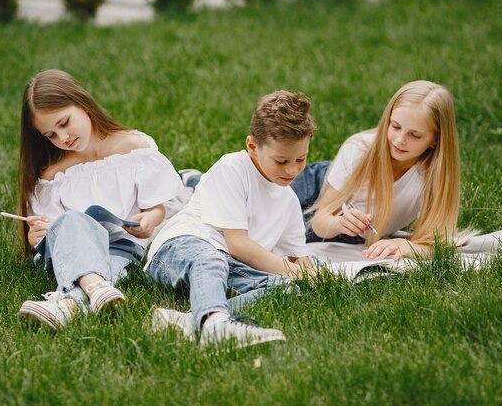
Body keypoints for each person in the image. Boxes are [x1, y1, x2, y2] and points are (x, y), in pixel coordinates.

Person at [145, 90, 318, 349]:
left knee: (288, 288)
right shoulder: (232, 169)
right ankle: (216, 326)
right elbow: (237, 244)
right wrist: (296, 271)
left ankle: (189, 319)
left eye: (301, 159)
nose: (292, 170)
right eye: (281, 161)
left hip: (229, 266)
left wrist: (309, 274)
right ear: (252, 146)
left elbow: (298, 260)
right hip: (180, 249)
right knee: (212, 258)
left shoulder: (289, 201)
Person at [15, 69, 183, 330]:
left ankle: (65, 306)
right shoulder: (53, 174)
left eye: (64, 123)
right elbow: (49, 231)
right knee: (73, 221)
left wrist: (150, 219)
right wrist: (34, 237)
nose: (63, 138)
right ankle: (96, 286)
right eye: (50, 135)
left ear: (83, 103)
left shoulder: (132, 149)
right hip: (70, 250)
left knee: (112, 266)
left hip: (121, 245)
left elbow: (156, 207)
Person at [294, 80, 464, 260]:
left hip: (348, 234)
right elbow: (320, 220)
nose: (399, 140)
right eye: (395, 126)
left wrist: (406, 245)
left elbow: (436, 244)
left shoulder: (432, 176)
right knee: (265, 206)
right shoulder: (359, 149)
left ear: (436, 139)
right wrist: (339, 223)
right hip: (320, 188)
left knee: (282, 236)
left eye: (414, 135)